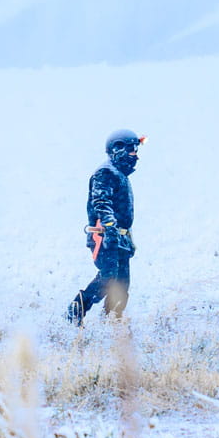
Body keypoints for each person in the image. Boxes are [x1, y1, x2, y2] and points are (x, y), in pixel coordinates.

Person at [68, 130, 142, 324]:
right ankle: (75, 313)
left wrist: (126, 238)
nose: (135, 155)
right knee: (109, 277)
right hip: (104, 236)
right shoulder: (106, 173)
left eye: (136, 150)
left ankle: (112, 321)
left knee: (122, 284)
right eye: (131, 150)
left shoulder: (121, 175)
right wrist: (110, 229)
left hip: (121, 238)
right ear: (117, 149)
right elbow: (101, 203)